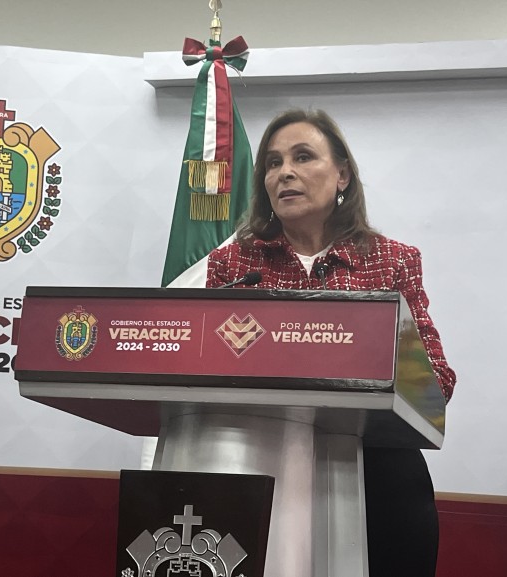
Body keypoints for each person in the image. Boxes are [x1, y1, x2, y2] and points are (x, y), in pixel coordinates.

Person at [206, 109, 456, 576]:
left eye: (303, 157)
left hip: (375, 469)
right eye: (274, 163)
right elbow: (207, 370)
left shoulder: (391, 261)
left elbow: (436, 381)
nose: (285, 173)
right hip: (260, 463)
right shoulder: (234, 264)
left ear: (342, 174)